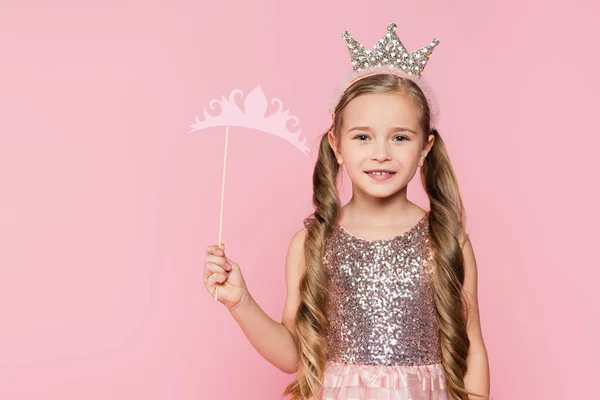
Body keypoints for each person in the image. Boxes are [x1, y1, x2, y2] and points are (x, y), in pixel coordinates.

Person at [203, 22, 490, 400]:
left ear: (425, 148)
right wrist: (241, 303)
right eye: (363, 136)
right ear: (337, 145)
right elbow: (293, 355)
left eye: (400, 137)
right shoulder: (312, 243)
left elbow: (472, 346)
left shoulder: (446, 241)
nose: (381, 153)